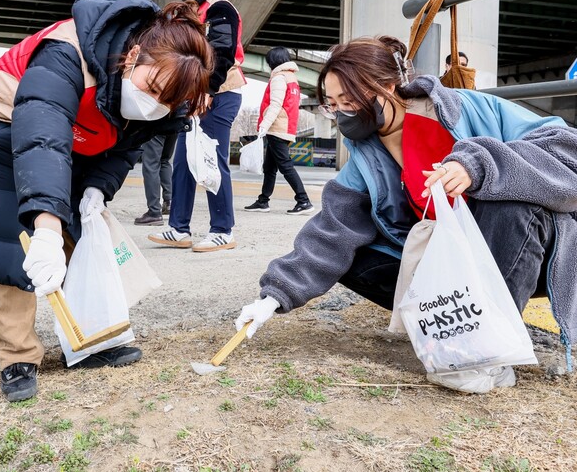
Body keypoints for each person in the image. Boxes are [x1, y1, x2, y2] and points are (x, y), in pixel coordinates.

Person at [232, 36, 577, 393]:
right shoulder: (366, 154)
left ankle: (488, 351)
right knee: (349, 257)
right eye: (332, 105)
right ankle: (446, 330)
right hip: (453, 262)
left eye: (350, 101)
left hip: (523, 252)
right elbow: (331, 229)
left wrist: (480, 166)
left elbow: (567, 150)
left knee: (507, 204)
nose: (342, 113)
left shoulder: (469, 107)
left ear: (387, 86)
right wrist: (273, 297)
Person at [0, 0, 213, 402]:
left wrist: (97, 187)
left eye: (168, 100)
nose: (156, 103)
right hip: (8, 120)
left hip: (80, 134)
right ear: (132, 57)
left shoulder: (170, 98)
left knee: (77, 234)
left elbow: (128, 145)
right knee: (18, 237)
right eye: (152, 88)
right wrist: (45, 228)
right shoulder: (66, 53)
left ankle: (88, 340)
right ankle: (17, 354)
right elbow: (42, 137)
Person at [149, 0, 245, 253]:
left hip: (219, 93)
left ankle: (223, 231)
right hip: (195, 96)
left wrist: (209, 89)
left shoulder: (220, 8)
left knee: (211, 161)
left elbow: (223, 52)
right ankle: (179, 228)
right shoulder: (197, 10)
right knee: (183, 162)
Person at [243, 47, 314, 214]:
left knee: (285, 166)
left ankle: (304, 201)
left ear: (273, 61)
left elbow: (276, 104)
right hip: (286, 126)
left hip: (277, 128)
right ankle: (263, 201)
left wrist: (264, 125)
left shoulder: (279, 77)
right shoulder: (292, 78)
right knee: (270, 167)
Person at [134, 132, 177, 225]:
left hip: (156, 122)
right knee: (164, 160)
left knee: (151, 164)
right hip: (175, 122)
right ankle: (169, 203)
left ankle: (154, 212)